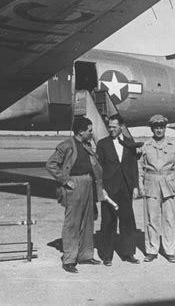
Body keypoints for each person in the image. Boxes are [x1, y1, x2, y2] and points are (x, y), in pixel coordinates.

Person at [46, 116, 104, 273]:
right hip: (74, 184)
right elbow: (51, 165)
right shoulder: (66, 146)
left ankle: (85, 255)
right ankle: (69, 260)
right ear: (81, 131)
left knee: (88, 221)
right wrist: (65, 180)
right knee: (72, 223)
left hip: (88, 184)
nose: (91, 133)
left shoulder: (86, 145)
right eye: (89, 131)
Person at [138, 114, 175, 263]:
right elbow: (139, 167)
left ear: (165, 128)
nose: (159, 130)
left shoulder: (174, 145)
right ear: (152, 129)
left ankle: (170, 250)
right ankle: (152, 250)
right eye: (156, 128)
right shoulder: (146, 146)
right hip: (151, 184)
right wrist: (140, 185)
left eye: (162, 127)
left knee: (170, 219)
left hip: (169, 184)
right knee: (152, 219)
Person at [96, 114, 140, 267]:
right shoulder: (102, 144)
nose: (111, 129)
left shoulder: (129, 143)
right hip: (109, 189)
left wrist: (135, 186)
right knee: (108, 222)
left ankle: (128, 253)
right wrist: (101, 188)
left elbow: (133, 166)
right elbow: (99, 168)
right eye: (109, 126)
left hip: (125, 188)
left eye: (114, 127)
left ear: (121, 127)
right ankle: (107, 255)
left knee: (127, 222)